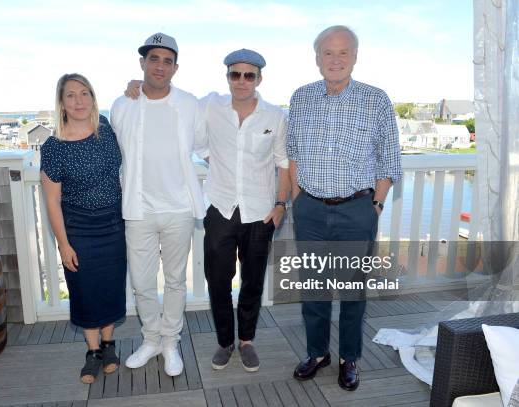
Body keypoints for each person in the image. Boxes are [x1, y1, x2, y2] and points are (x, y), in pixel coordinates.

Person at [287, 26, 402, 390]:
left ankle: (348, 357)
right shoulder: (301, 98)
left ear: (355, 56)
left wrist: (376, 206)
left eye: (343, 52)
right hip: (310, 210)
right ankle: (317, 352)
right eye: (327, 52)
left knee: (353, 291)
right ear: (317, 57)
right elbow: (292, 153)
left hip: (356, 210)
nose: (335, 60)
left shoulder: (376, 99)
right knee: (313, 287)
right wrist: (296, 200)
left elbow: (389, 161)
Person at [110, 33, 206, 377]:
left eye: (167, 61)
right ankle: (151, 338)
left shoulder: (191, 103)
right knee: (142, 282)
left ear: (176, 68)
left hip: (179, 208)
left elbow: (209, 143)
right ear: (142, 64)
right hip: (138, 209)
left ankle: (170, 342)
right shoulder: (122, 105)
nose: (160, 66)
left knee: (176, 280)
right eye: (154, 59)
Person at [201, 50, 290, 372]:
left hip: (261, 212)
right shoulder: (210, 106)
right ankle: (225, 341)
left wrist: (281, 205)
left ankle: (246, 340)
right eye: (234, 74)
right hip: (221, 208)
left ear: (259, 79)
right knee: (218, 280)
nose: (241, 81)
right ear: (227, 77)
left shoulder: (274, 116)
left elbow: (283, 163)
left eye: (248, 75)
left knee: (252, 281)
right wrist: (139, 86)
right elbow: (173, 104)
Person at [40, 73, 126, 384]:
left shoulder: (106, 129)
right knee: (85, 290)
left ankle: (109, 344)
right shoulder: (53, 147)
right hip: (78, 228)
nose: (79, 101)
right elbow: (52, 201)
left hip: (114, 224)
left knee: (110, 286)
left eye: (85, 93)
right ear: (61, 103)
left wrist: (133, 89)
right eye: (71, 95)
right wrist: (63, 244)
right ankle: (93, 352)